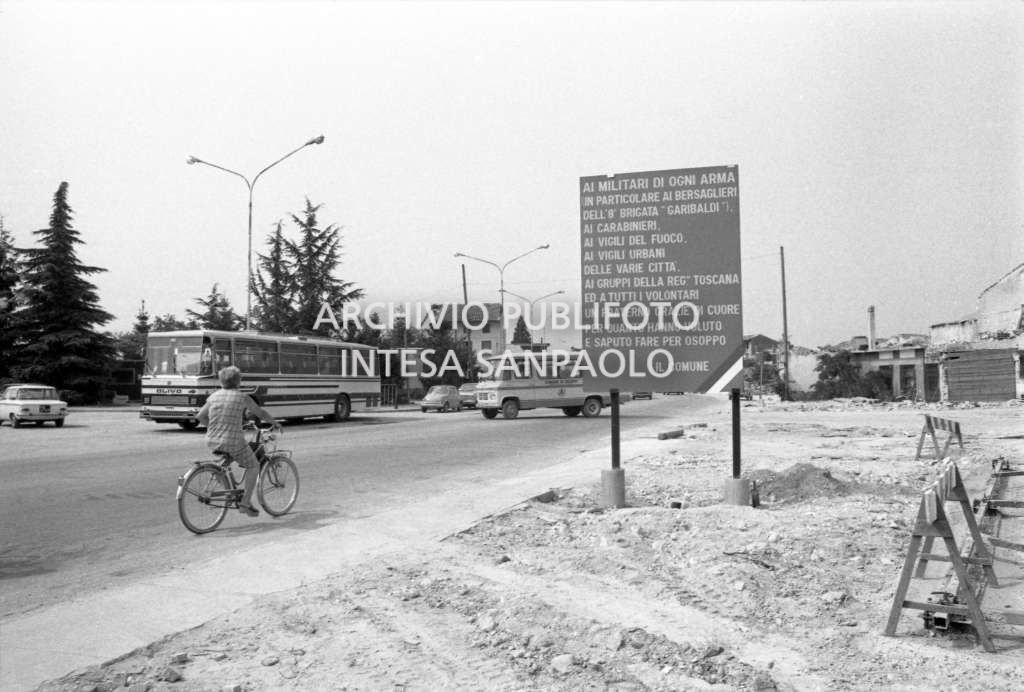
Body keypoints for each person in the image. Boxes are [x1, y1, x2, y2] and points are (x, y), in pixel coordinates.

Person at [197, 365, 278, 517]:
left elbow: (200, 416)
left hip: (212, 439)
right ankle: (245, 503)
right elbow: (260, 413)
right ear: (238, 381)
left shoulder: (213, 397)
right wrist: (275, 423)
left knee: (229, 458)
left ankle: (228, 490)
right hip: (232, 441)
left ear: (221, 381)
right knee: (253, 465)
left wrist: (214, 427)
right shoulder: (242, 397)